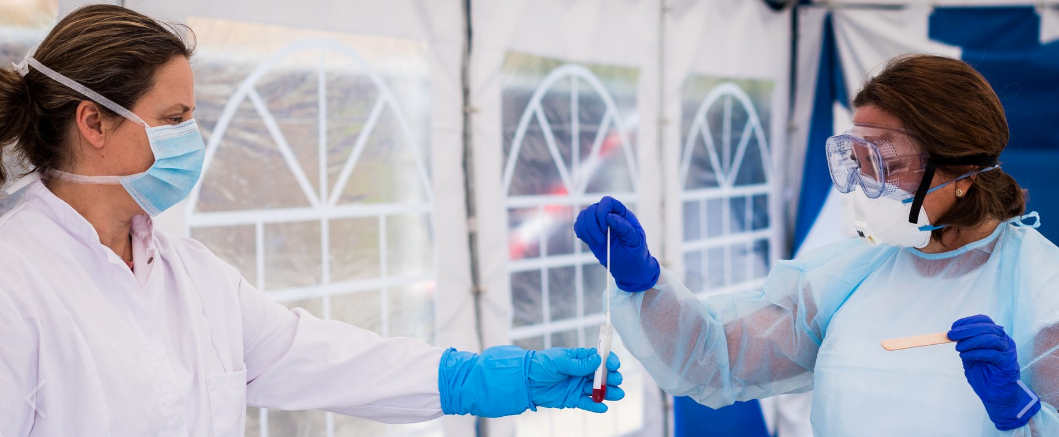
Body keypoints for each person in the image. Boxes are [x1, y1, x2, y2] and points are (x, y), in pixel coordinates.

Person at [0, 5, 623, 436]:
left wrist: (480, 379)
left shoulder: (188, 277)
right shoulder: (16, 283)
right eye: (173, 117)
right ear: (93, 123)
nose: (192, 137)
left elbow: (322, 359)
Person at [574, 54, 1059, 435]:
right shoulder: (850, 278)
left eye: (884, 162)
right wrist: (643, 282)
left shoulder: (1042, 292)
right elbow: (714, 356)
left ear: (961, 173)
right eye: (857, 161)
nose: (865, 186)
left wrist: (1020, 412)